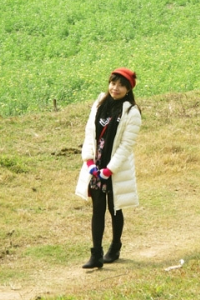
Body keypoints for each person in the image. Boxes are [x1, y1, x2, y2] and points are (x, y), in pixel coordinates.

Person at [75, 68, 141, 269]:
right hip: (96, 167)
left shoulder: (131, 112)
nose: (116, 88)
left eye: (121, 85)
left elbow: (126, 146)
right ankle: (96, 254)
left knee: (115, 208)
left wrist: (109, 170)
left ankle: (115, 247)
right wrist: (89, 162)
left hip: (115, 169)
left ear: (128, 89)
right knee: (97, 210)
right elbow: (89, 134)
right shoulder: (99, 104)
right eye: (113, 83)